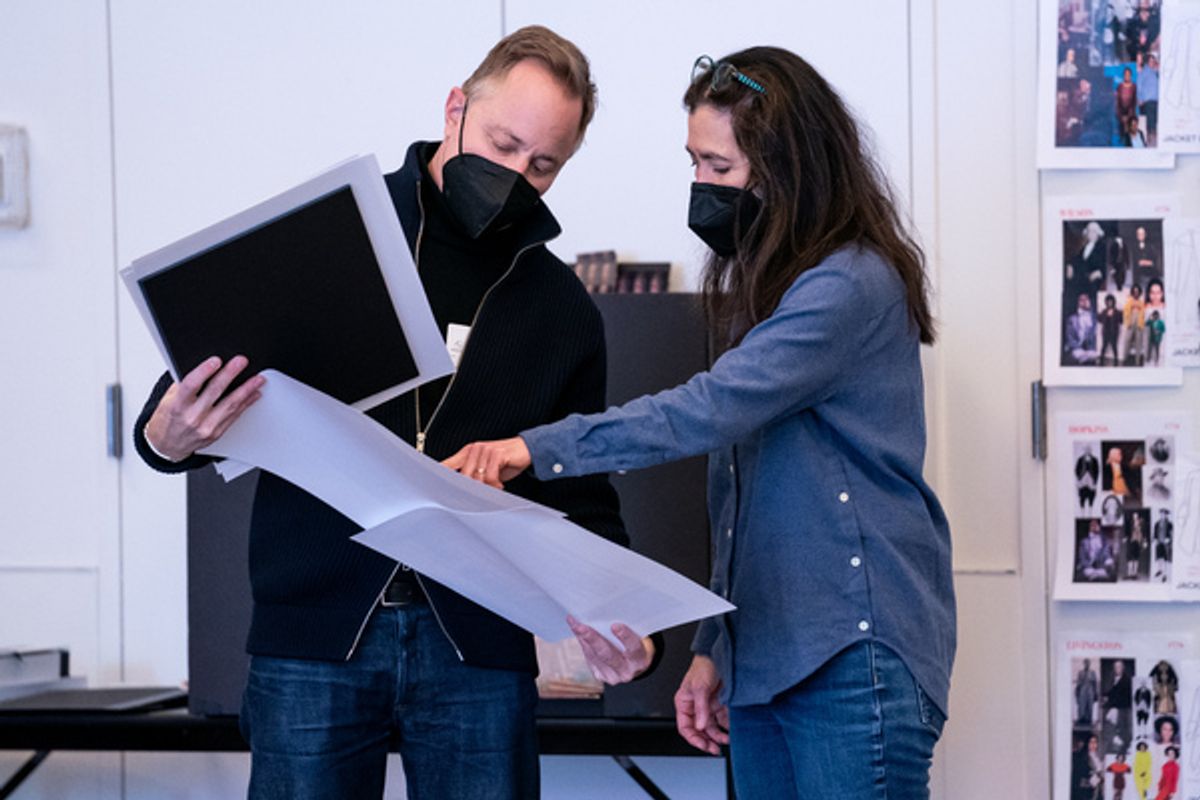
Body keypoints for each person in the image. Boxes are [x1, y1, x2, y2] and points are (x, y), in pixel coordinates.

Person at [132, 26, 654, 799]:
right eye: (503, 143)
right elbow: (188, 395)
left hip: (478, 644)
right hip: (313, 636)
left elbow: (579, 487)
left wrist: (625, 621)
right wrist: (164, 436)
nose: (515, 174)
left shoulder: (562, 307)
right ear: (454, 108)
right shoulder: (335, 229)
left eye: (542, 164)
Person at [446, 46, 955, 798]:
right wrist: (718, 646)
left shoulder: (849, 285)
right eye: (695, 164)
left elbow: (708, 411)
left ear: (787, 171)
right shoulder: (769, 293)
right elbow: (742, 497)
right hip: (771, 660)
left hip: (853, 654)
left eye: (719, 168)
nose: (701, 187)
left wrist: (533, 447)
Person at [1124, 283, 1146, 365]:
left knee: (1138, 343)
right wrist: (1127, 322)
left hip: (1139, 324)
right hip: (1131, 322)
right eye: (1134, 291)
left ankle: (1137, 361)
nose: (1136, 293)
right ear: (1132, 292)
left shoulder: (1142, 302)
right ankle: (1125, 359)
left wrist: (1141, 324)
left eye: (1137, 291)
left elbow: (1143, 314)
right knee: (1127, 341)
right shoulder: (1129, 301)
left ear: (1139, 292)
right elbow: (1125, 313)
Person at [1100, 293, 1123, 366]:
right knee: (1103, 347)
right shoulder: (1104, 311)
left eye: (1111, 301)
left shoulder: (1117, 312)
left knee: (1114, 348)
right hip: (1105, 332)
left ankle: (1116, 362)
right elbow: (1099, 320)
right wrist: (1106, 315)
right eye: (1108, 301)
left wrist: (1121, 313)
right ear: (1106, 302)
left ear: (1113, 302)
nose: (1110, 303)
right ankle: (1101, 362)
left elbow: (1121, 321)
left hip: (1114, 333)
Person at [1077, 659, 1101, 725]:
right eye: (1085, 663)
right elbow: (1078, 684)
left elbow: (1095, 683)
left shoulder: (1092, 672)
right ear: (1084, 664)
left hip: (1090, 690)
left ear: (1089, 664)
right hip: (1083, 689)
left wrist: (1096, 693)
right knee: (1082, 705)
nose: (1087, 664)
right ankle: (1082, 719)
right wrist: (1077, 693)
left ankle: (1089, 719)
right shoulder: (1080, 672)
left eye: (1088, 663)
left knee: (1090, 705)